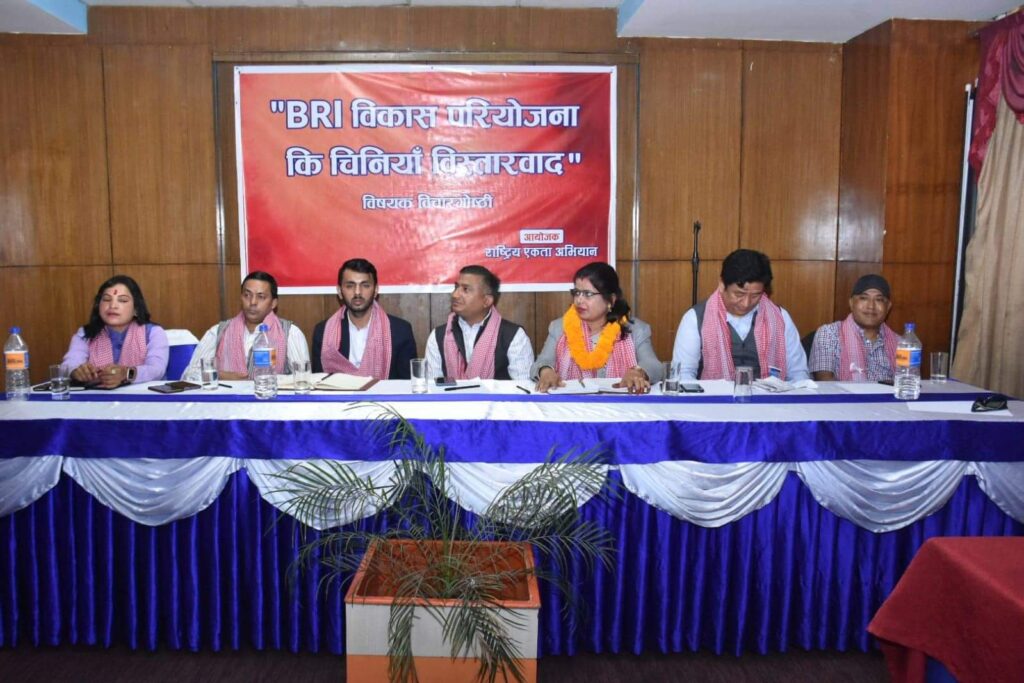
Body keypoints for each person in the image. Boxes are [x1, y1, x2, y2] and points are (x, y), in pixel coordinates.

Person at [672, 249, 809, 381]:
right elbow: (683, 374)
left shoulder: (780, 318)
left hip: (767, 396)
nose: (746, 303)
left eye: (755, 296)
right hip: (715, 396)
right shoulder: (695, 318)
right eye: (739, 294)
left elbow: (798, 373)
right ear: (722, 285)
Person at [533, 262, 662, 393]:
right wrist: (545, 371)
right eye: (577, 293)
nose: (579, 300)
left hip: (621, 403)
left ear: (611, 299)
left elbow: (653, 365)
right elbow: (542, 361)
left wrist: (638, 372)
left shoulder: (635, 329)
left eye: (588, 294)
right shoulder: (560, 327)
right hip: (572, 403)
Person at [184, 271, 309, 381]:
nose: (252, 302)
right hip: (227, 400)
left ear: (273, 303)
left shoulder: (290, 333)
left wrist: (266, 379)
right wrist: (220, 376)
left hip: (271, 399)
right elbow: (189, 376)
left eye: (261, 297)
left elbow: (303, 378)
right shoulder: (218, 331)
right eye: (247, 295)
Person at [311, 258, 416, 379]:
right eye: (350, 286)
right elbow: (318, 382)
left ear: (375, 290)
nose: (357, 292)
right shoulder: (323, 332)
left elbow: (406, 385)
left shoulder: (400, 331)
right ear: (339, 291)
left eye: (365, 286)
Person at [425, 265, 534, 381]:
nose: (455, 295)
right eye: (456, 287)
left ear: (486, 301)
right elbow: (432, 386)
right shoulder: (438, 336)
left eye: (465, 289)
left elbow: (523, 386)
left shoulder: (513, 336)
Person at [63, 275, 169, 388]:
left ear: (136, 309)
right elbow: (69, 364)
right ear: (98, 306)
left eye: (122, 300)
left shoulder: (153, 332)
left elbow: (156, 369)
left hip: (142, 396)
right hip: (96, 396)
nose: (112, 306)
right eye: (106, 299)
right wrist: (75, 371)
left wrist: (126, 374)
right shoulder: (85, 333)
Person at [809, 274, 898, 382]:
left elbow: (908, 381)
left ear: (888, 307)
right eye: (864, 298)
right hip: (841, 394)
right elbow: (825, 383)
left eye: (879, 300)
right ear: (851, 303)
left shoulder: (901, 344)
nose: (871, 306)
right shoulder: (829, 334)